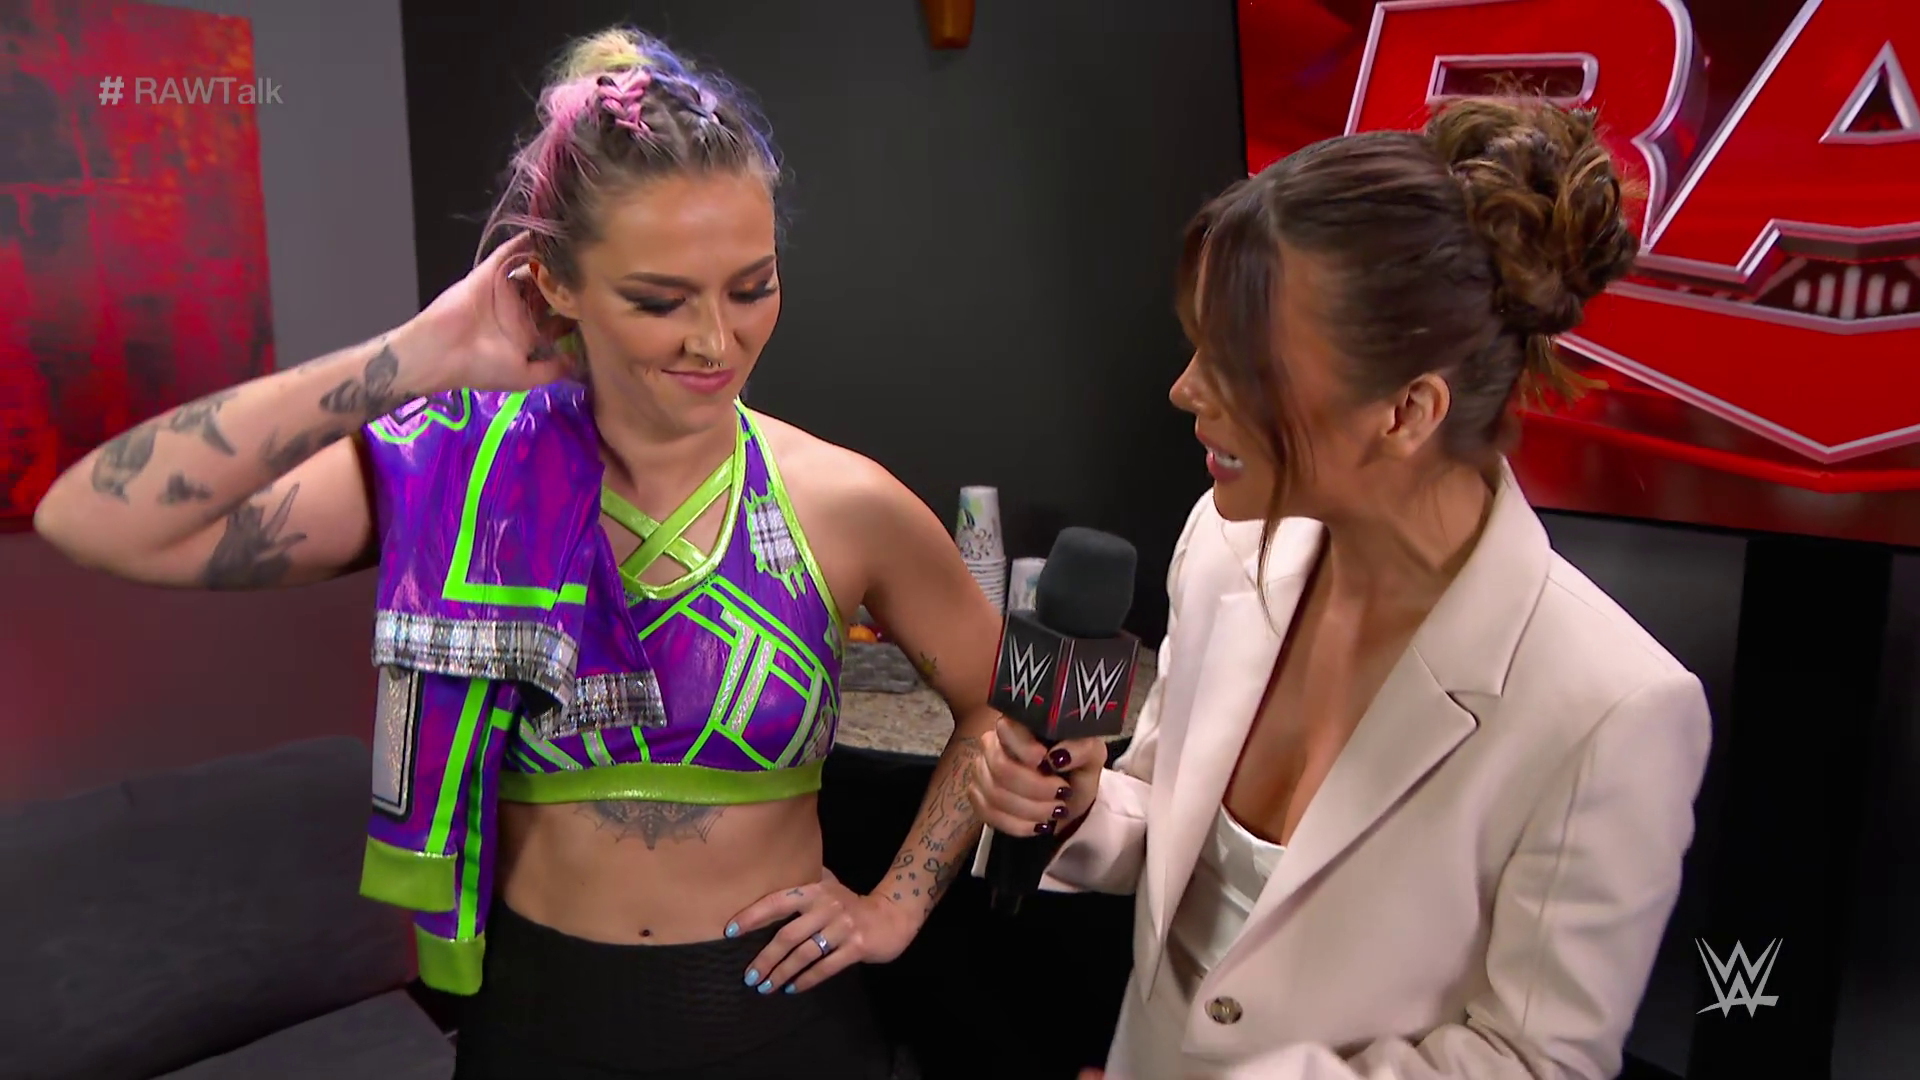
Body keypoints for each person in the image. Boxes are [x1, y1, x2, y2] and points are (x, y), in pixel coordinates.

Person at [34, 27, 1000, 1080]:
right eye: (659, 300)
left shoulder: (843, 504)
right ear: (557, 285)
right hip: (538, 1026)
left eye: (751, 286)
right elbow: (98, 520)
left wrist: (896, 905)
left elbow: (1005, 704)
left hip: (782, 1024)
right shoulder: (458, 479)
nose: (716, 341)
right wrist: (418, 353)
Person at [970, 98, 1713, 1079]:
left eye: (1242, 365)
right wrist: (1076, 805)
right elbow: (1166, 817)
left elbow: (1534, 1063)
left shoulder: (1613, 711)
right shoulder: (1223, 547)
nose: (1185, 389)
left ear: (1407, 412)